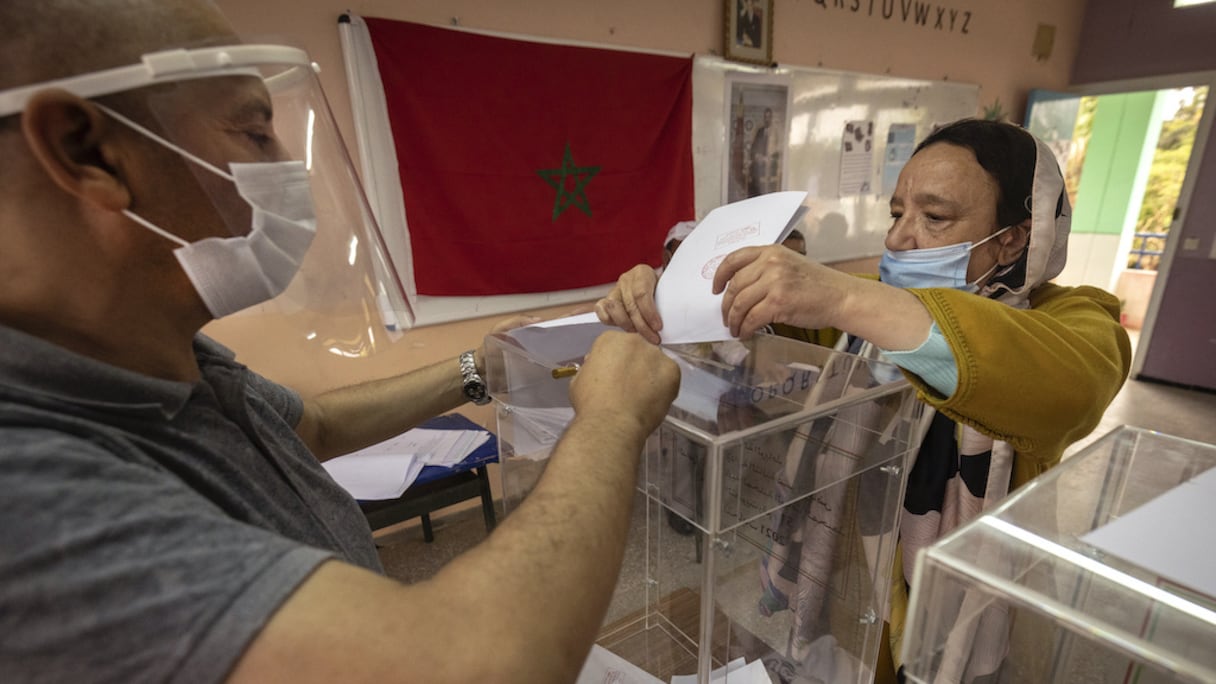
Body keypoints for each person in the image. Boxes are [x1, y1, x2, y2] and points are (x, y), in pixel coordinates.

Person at [0, 2, 680, 682]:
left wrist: (484, 364)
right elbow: (468, 667)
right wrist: (612, 420)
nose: (287, 169)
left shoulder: (154, 353)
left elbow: (312, 425)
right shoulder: (26, 490)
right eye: (254, 133)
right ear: (87, 152)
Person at [596, 118, 1132, 680]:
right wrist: (662, 293)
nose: (899, 238)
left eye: (934, 217)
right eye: (897, 213)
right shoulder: (864, 317)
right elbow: (758, 340)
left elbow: (1070, 385)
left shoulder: (1072, 317)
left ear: (1014, 236)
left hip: (950, 612)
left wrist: (846, 297)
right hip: (847, 586)